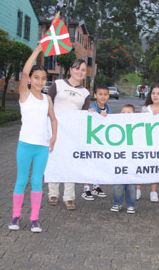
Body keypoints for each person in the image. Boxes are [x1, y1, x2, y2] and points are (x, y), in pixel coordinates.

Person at [8, 43, 58, 233]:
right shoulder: (24, 95)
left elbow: (53, 119)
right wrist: (37, 51)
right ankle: (15, 216)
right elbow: (24, 70)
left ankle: (35, 219)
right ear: (30, 80)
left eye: (43, 78)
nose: (39, 81)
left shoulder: (47, 99)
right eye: (36, 77)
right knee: (21, 180)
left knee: (37, 181)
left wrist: (53, 138)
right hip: (25, 146)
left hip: (42, 148)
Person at [47, 59, 91, 210]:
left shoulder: (85, 93)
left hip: (73, 133)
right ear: (71, 69)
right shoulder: (57, 84)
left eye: (83, 70)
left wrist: (91, 114)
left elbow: (84, 114)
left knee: (71, 163)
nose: (80, 72)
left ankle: (69, 197)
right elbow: (47, 103)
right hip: (55, 130)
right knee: (55, 161)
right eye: (77, 68)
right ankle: (53, 194)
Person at [137, 84, 159, 202]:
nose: (155, 96)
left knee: (154, 167)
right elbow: (138, 126)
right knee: (141, 165)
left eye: (158, 93)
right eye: (153, 93)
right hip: (144, 143)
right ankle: (138, 188)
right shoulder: (145, 109)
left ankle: (153, 191)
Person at [81, 84, 110, 200]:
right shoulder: (92, 108)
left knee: (99, 164)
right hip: (92, 142)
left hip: (102, 142)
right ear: (95, 95)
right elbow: (89, 121)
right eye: (100, 94)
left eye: (105, 94)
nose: (103, 97)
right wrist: (96, 115)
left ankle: (96, 186)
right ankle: (86, 189)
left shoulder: (108, 108)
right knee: (90, 164)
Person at [111, 104, 137, 213]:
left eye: (129, 112)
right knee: (118, 184)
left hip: (132, 160)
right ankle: (117, 203)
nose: (125, 114)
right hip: (119, 159)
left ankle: (131, 204)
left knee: (131, 184)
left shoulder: (138, 126)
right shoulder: (114, 125)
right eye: (123, 112)